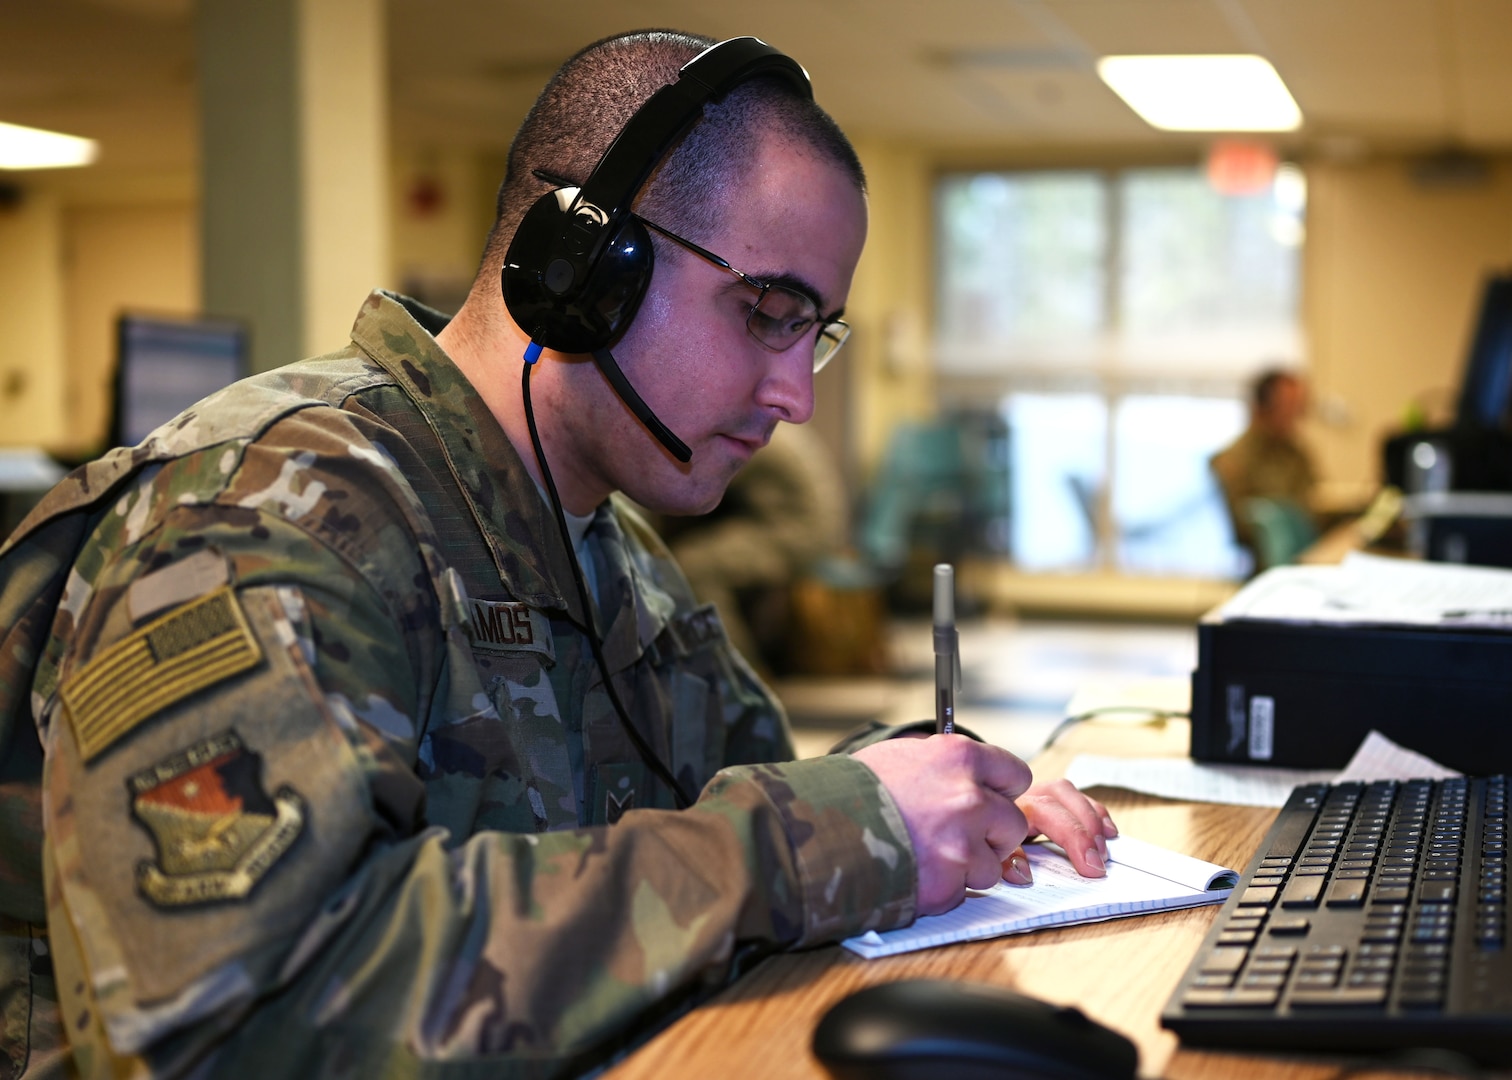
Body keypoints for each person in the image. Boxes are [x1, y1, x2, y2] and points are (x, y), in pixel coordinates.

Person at [0, 31, 1116, 1077]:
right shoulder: (270, 518)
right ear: (588, 265)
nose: (796, 395)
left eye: (814, 330)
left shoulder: (603, 547)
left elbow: (745, 789)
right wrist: (821, 835)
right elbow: (225, 1020)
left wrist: (927, 787)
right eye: (769, 310)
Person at [659, 421, 847, 676]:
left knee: (696, 565)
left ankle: (737, 676)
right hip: (798, 524)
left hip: (799, 533)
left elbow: (691, 484)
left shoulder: (742, 430)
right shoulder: (761, 420)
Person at [1211, 367, 1319, 568]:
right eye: (1290, 406)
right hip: (1267, 567)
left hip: (1306, 559)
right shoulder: (1232, 459)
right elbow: (1246, 529)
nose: (1299, 415)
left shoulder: (1296, 453)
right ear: (1263, 406)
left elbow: (1313, 497)